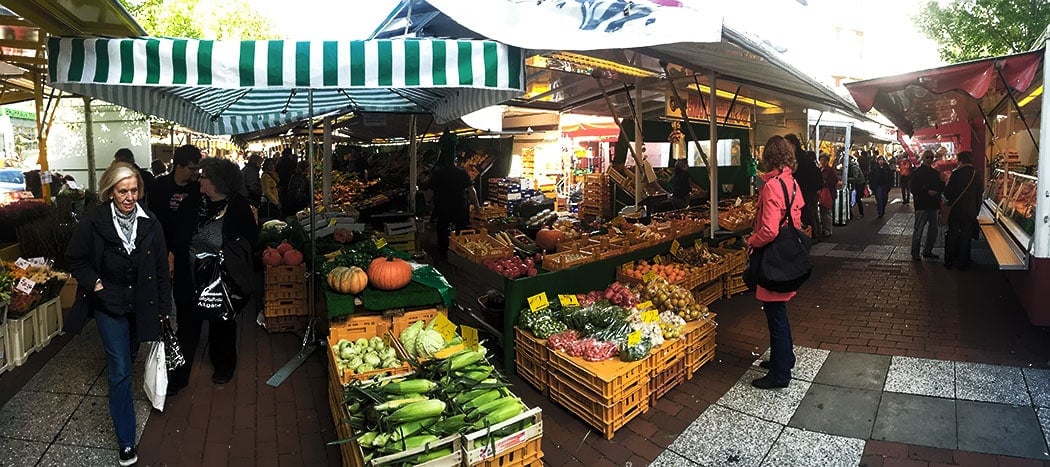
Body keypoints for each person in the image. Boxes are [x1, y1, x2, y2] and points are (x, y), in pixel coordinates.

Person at [65, 162, 171, 466]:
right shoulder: (93, 223)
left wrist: (164, 310)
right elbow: (75, 259)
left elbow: (162, 271)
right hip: (109, 307)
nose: (129, 197)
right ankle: (127, 441)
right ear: (110, 192)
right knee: (121, 368)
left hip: (141, 307)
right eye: (123, 191)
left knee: (131, 355)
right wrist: (96, 284)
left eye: (134, 190)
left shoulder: (151, 222)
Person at [168, 158, 258, 393]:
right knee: (187, 325)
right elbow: (178, 235)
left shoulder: (238, 207)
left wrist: (226, 254)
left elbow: (250, 240)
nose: (200, 178)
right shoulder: (192, 203)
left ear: (218, 183)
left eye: (205, 176)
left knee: (222, 323)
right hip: (189, 276)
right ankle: (179, 375)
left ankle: (224, 366)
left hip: (221, 280)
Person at [748, 135, 804, 390]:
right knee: (779, 312)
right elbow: (796, 219)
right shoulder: (792, 183)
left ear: (768, 157)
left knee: (776, 315)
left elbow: (769, 230)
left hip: (773, 257)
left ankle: (780, 374)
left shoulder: (772, 187)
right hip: (786, 254)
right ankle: (785, 358)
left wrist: (752, 241)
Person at [430, 137, 480, 259]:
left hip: (442, 205)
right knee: (460, 227)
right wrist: (477, 205)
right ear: (455, 161)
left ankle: (442, 249)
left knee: (442, 227)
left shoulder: (438, 172)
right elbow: (471, 189)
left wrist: (432, 206)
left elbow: (431, 190)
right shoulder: (462, 172)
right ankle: (459, 249)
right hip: (459, 205)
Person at [148, 145, 202, 246]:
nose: (196, 172)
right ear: (179, 167)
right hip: (163, 241)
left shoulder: (200, 187)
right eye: (191, 169)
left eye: (197, 169)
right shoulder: (160, 185)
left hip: (189, 243)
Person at [943, 150, 983, 270]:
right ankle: (963, 261)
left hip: (956, 210)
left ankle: (949, 261)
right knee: (966, 236)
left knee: (953, 234)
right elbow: (979, 195)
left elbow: (948, 193)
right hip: (970, 211)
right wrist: (976, 210)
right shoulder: (976, 175)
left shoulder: (956, 174)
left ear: (960, 161)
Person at [910, 150, 945, 261]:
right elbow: (913, 189)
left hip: (933, 205)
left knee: (934, 230)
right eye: (927, 157)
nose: (929, 159)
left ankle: (928, 250)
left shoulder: (935, 173)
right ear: (923, 158)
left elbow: (940, 188)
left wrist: (942, 182)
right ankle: (915, 252)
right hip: (922, 205)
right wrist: (926, 192)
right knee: (919, 229)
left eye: (931, 157)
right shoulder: (917, 172)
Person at [784, 134, 822, 237]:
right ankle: (816, 233)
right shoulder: (803, 155)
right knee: (812, 212)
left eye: (786, 143)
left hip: (805, 190)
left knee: (808, 213)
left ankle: (811, 235)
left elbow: (800, 175)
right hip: (809, 189)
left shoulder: (798, 157)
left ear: (792, 143)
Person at [818, 152, 840, 239]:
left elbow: (835, 180)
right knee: (822, 212)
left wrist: (826, 183)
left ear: (827, 161)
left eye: (824, 160)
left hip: (829, 193)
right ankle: (824, 229)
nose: (823, 161)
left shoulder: (830, 170)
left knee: (827, 212)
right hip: (822, 193)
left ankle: (828, 230)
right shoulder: (820, 169)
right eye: (821, 160)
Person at [847, 154, 866, 219]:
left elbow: (856, 177)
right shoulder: (852, 166)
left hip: (860, 184)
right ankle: (851, 213)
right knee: (854, 198)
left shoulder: (853, 167)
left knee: (857, 198)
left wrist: (846, 179)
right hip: (857, 183)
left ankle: (861, 213)